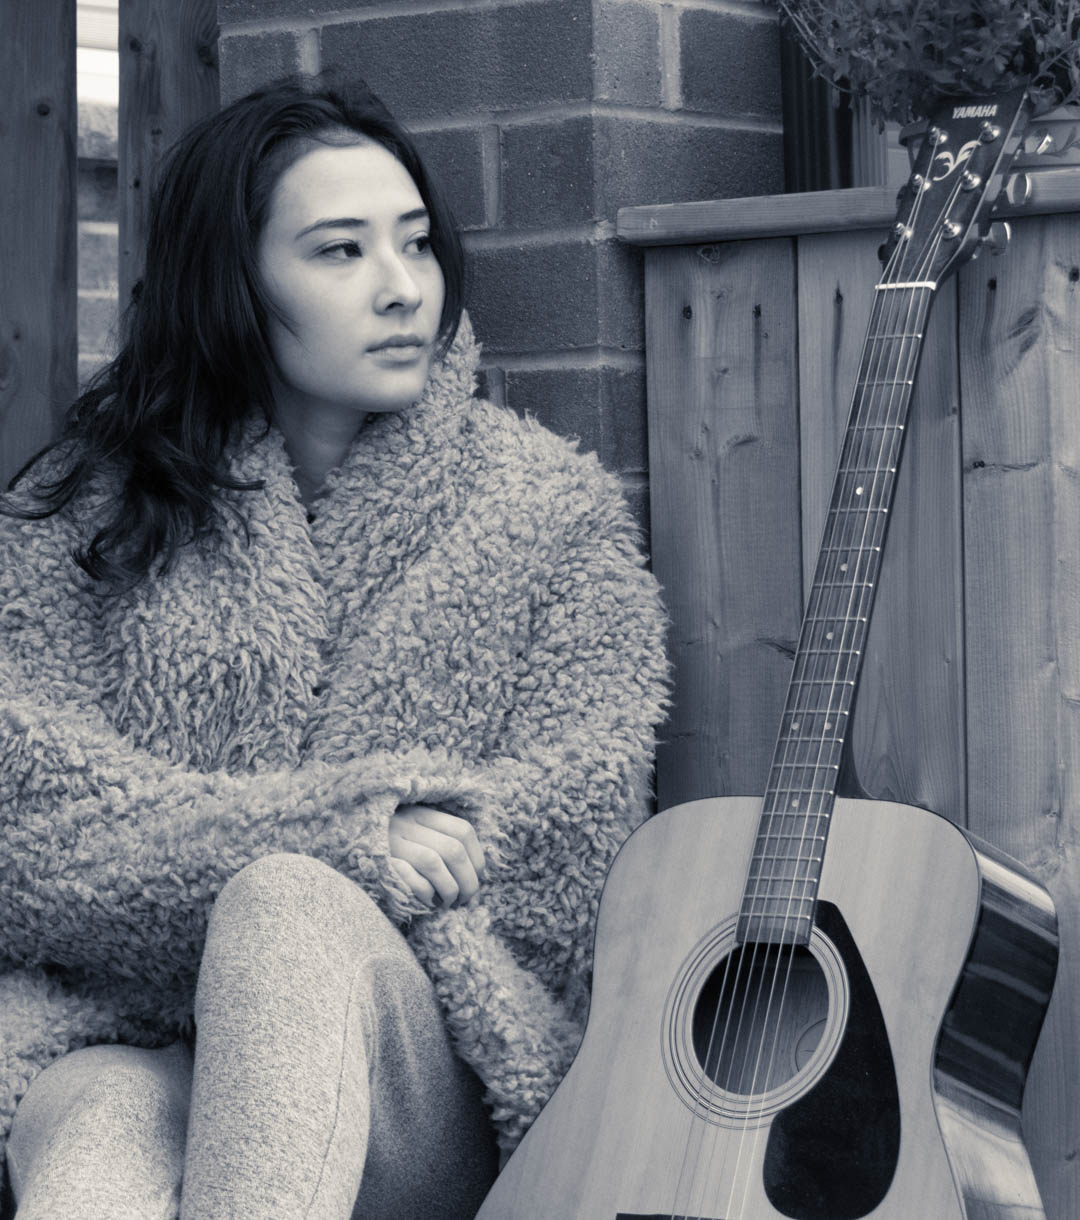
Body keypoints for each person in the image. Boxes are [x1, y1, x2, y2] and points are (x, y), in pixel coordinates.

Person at [0, 75, 669, 1219]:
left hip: (420, 1060)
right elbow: (29, 828)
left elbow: (578, 842)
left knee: (284, 906)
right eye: (340, 251)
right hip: (138, 1034)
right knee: (85, 1170)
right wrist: (345, 835)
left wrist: (290, 874)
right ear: (236, 282)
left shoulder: (549, 514)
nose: (404, 288)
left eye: (415, 243)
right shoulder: (82, 514)